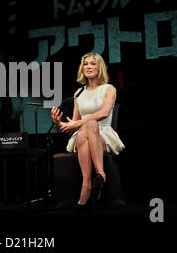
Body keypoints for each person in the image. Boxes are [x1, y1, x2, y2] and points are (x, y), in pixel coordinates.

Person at [51, 53, 125, 209]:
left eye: (93, 63)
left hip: (102, 133)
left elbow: (104, 113)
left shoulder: (109, 88)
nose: (89, 67)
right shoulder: (79, 93)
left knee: (91, 125)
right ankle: (95, 178)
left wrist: (80, 123)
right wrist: (60, 123)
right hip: (82, 136)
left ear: (100, 67)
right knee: (84, 131)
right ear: (82, 68)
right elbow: (74, 123)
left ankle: (92, 182)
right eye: (86, 64)